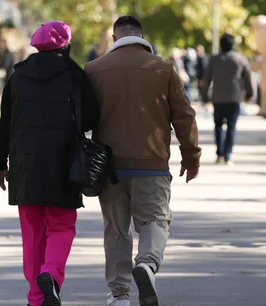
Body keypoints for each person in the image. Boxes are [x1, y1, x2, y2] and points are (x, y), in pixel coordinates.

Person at [85, 16, 201, 306]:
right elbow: (184, 115)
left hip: (108, 167)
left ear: (115, 38)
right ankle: (147, 265)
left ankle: (119, 294)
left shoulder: (94, 70)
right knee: (154, 220)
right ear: (141, 36)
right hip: (152, 163)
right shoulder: (163, 68)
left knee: (116, 230)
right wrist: (191, 155)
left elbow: (81, 117)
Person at [0, 21, 99, 306]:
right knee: (62, 226)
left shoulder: (17, 77)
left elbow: (6, 124)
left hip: (24, 166)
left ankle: (36, 297)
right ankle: (51, 274)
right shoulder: (74, 75)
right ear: (65, 45)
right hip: (63, 165)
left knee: (32, 234)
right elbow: (91, 118)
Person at [201, 33, 253, 166]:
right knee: (231, 127)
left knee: (218, 126)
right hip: (234, 98)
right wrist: (250, 94)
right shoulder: (240, 59)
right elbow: (248, 78)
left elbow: (206, 79)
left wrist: (205, 96)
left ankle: (219, 154)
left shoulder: (214, 60)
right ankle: (228, 155)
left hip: (218, 98)